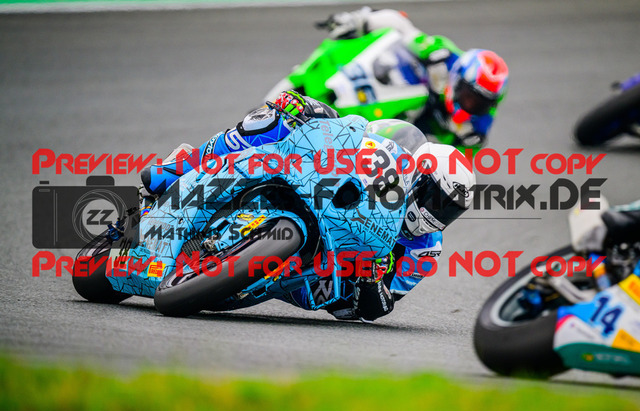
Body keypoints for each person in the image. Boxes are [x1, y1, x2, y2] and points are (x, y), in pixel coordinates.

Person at [141, 91, 475, 322]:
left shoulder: (424, 249)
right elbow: (358, 131)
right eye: (435, 198)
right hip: (326, 189)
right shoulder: (395, 156)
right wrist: (312, 113)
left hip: (321, 279)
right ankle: (179, 167)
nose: (437, 214)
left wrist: (372, 280)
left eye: (449, 210)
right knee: (275, 121)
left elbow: (381, 307)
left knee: (338, 301)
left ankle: (229, 270)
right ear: (417, 178)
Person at [318, 7, 509, 151]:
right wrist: (361, 21)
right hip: (396, 85)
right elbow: (404, 28)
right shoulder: (443, 54)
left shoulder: (476, 129)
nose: (470, 105)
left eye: (479, 104)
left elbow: (461, 164)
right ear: (458, 80)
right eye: (469, 96)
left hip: (420, 136)